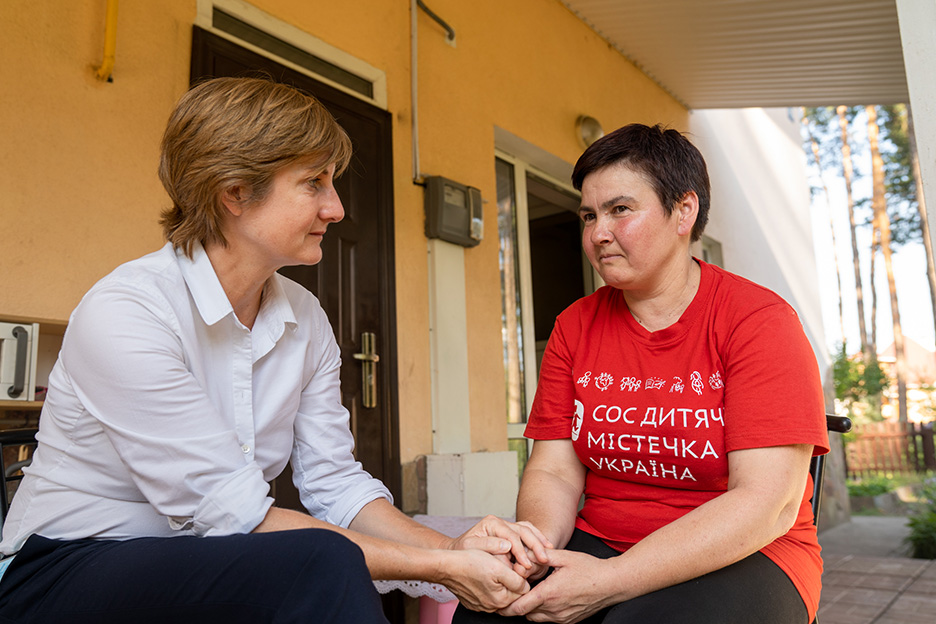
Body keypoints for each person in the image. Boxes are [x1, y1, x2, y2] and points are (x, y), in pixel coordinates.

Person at [0, 76, 549, 624]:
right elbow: (234, 514)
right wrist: (440, 567)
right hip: (63, 567)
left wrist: (453, 550)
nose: (336, 208)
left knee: (324, 562)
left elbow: (335, 483)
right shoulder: (128, 311)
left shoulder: (305, 319)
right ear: (235, 192)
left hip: (201, 562)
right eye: (314, 183)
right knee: (321, 561)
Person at [454, 124, 828, 624]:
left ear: (684, 211)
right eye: (589, 215)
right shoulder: (575, 326)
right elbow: (554, 471)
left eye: (620, 209)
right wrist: (536, 550)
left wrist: (612, 581)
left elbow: (766, 503)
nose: (597, 233)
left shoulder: (758, 321)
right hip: (603, 540)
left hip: (746, 551)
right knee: (486, 612)